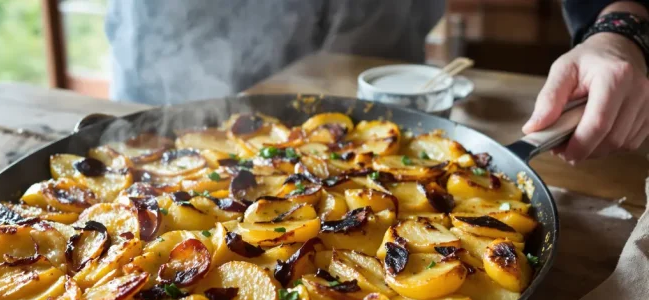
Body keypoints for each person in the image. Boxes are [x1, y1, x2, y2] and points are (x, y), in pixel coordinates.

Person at [106, 0, 649, 162]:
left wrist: (617, 27)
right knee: (158, 156)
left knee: (389, 128)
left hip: (376, 14)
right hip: (191, 22)